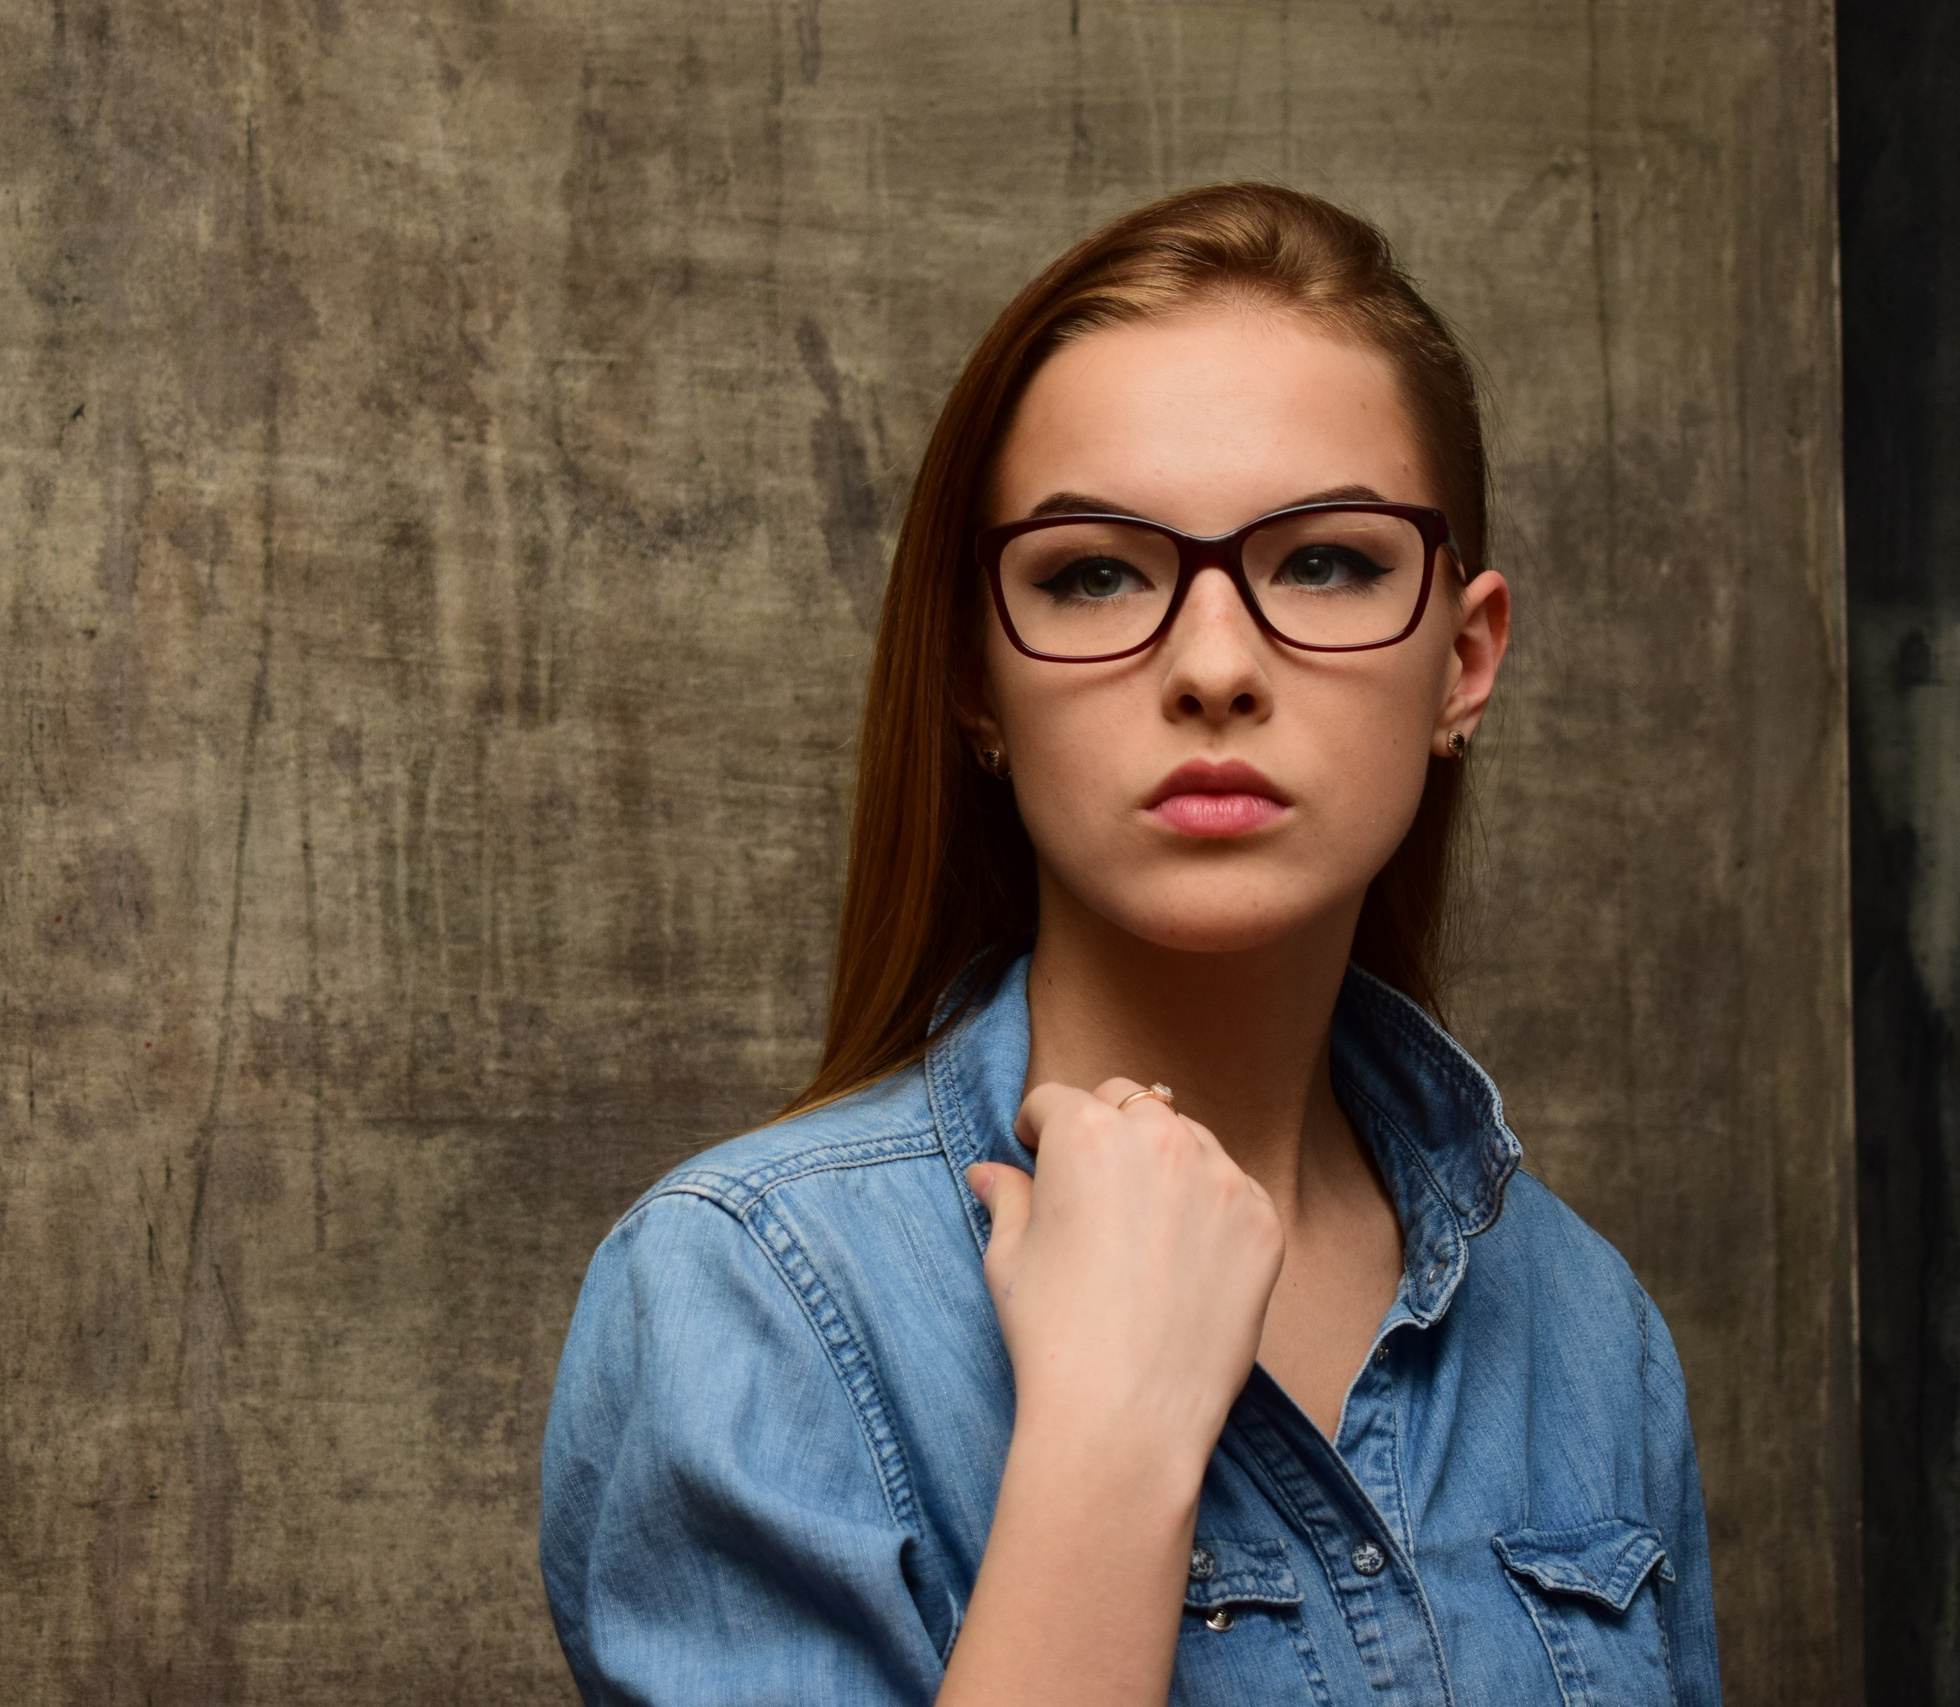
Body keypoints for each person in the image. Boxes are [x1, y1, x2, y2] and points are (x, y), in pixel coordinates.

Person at [538, 183, 1720, 1706]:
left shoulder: (1589, 1335)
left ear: (1463, 661)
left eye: (1329, 563)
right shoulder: (750, 1303)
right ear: (977, 674)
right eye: (1095, 573)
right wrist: (1112, 1441)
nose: (1215, 665)